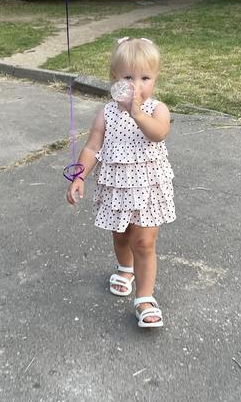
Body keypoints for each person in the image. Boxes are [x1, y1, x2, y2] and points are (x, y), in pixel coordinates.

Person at [66, 36, 176, 328]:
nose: (136, 86)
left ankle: (144, 298)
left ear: (155, 79)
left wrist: (136, 113)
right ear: (114, 78)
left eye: (145, 78)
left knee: (144, 242)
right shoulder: (107, 114)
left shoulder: (157, 110)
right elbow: (92, 147)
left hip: (149, 188)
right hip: (118, 187)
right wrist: (79, 175)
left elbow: (158, 133)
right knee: (121, 236)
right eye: (128, 78)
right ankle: (125, 268)